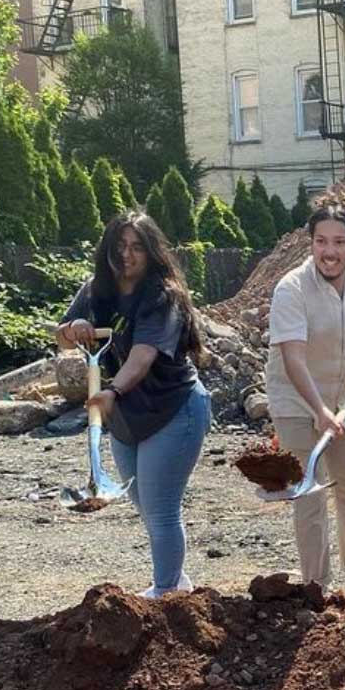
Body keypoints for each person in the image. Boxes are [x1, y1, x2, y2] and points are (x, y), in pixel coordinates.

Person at [57, 211, 211, 599]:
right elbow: (61, 335)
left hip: (173, 408)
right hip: (127, 415)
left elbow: (142, 356)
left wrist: (113, 392)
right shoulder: (96, 290)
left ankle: (164, 593)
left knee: (161, 510)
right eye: (119, 246)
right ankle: (177, 582)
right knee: (145, 507)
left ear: (151, 252)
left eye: (137, 247)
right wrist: (73, 330)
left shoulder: (163, 296)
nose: (127, 255)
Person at [265, 190, 345, 593]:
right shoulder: (291, 289)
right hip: (299, 405)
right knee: (310, 493)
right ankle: (316, 584)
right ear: (311, 243)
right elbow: (293, 360)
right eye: (321, 242)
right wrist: (318, 410)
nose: (329, 252)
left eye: (339, 242)